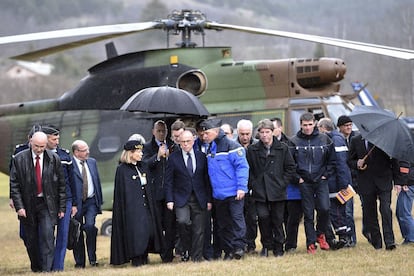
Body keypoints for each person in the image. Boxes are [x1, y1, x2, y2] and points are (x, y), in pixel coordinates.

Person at [10, 131, 66, 272]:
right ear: (30, 143)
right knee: (31, 240)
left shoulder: (54, 158)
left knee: (48, 236)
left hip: (47, 204)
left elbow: (61, 184)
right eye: (36, 146)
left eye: (42, 146)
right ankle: (37, 268)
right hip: (28, 205)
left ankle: (47, 270)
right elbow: (14, 185)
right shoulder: (19, 159)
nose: (39, 149)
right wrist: (19, 207)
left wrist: (61, 207)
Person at [200, 118, 249, 260]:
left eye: (206, 133)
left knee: (237, 220)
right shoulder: (210, 147)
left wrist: (241, 187)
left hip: (234, 192)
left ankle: (238, 247)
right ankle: (228, 250)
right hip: (218, 194)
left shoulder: (231, 145)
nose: (204, 136)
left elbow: (242, 167)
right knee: (223, 224)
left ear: (215, 131)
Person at [246, 119, 296, 257]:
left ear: (272, 132)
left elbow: (290, 167)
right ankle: (266, 245)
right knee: (263, 218)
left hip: (277, 190)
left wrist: (282, 183)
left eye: (267, 132)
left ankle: (279, 246)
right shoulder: (252, 150)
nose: (264, 135)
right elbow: (248, 169)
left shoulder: (283, 148)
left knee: (278, 219)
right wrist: (253, 184)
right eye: (261, 132)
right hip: (260, 190)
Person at [110, 139, 163, 266]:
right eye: (138, 152)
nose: (141, 154)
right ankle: (137, 257)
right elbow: (122, 193)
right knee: (137, 233)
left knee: (149, 230)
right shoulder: (122, 170)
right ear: (130, 153)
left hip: (146, 206)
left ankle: (145, 254)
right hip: (132, 209)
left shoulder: (143, 166)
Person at [348, 134, 405, 250]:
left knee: (385, 210)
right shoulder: (356, 140)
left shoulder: (385, 139)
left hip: (384, 180)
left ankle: (389, 241)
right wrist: (357, 164)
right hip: (366, 182)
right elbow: (349, 160)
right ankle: (376, 242)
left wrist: (398, 181)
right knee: (370, 213)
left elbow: (394, 160)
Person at [290, 112, 335, 254]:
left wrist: (325, 175)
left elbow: (332, 160)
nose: (308, 127)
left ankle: (320, 234)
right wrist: (298, 178)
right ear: (301, 125)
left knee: (324, 208)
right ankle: (311, 243)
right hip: (304, 182)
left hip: (321, 180)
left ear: (315, 123)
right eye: (305, 125)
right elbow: (290, 164)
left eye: (310, 124)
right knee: (308, 214)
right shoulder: (294, 141)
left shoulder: (324, 139)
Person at [165, 129, 212, 262]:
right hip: (181, 198)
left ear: (193, 141)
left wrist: (209, 199)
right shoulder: (173, 158)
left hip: (199, 197)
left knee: (199, 229)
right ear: (179, 143)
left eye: (188, 141)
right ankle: (186, 249)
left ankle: (196, 257)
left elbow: (206, 180)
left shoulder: (201, 157)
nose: (185, 144)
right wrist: (169, 199)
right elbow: (169, 181)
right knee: (182, 221)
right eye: (183, 142)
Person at [42, 125, 78, 271]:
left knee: (63, 234)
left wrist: (74, 202)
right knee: (47, 234)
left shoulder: (64, 155)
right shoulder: (39, 156)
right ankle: (47, 265)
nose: (57, 142)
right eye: (54, 139)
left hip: (66, 199)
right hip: (47, 200)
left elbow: (72, 180)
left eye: (58, 138)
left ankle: (58, 267)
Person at [143, 120, 176, 262]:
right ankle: (154, 250)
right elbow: (145, 164)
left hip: (170, 192)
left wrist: (169, 155)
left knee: (170, 225)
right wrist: (157, 156)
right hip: (154, 193)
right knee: (155, 225)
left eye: (164, 131)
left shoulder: (173, 146)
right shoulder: (147, 147)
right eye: (159, 131)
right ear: (153, 132)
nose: (162, 134)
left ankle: (168, 254)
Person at [317, 118, 352, 249]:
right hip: (335, 182)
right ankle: (341, 237)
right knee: (336, 212)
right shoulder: (335, 138)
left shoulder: (335, 140)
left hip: (336, 183)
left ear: (323, 128)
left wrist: (343, 185)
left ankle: (345, 238)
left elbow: (341, 164)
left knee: (337, 212)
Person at [270, 117, 303, 253]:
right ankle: (278, 243)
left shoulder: (290, 144)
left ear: (280, 128)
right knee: (277, 218)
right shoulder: (264, 146)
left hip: (292, 188)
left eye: (273, 128)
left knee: (293, 218)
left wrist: (295, 178)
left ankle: (291, 244)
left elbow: (294, 165)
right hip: (274, 189)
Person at [71, 140, 103, 267]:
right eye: (84, 150)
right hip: (76, 203)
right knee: (77, 232)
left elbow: (97, 181)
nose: (88, 152)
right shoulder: (69, 164)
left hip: (91, 201)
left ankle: (93, 259)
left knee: (90, 227)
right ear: (76, 152)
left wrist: (98, 202)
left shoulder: (92, 162)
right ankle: (80, 262)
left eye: (87, 149)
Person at [236, 119, 258, 254]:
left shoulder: (256, 146)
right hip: (238, 188)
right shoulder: (233, 146)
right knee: (239, 217)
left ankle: (251, 244)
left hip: (254, 187)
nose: (245, 137)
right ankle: (241, 244)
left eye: (247, 134)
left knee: (252, 218)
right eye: (242, 134)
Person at [337, 115, 359, 246]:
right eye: (346, 125)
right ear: (340, 127)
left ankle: (352, 239)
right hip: (342, 181)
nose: (349, 127)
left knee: (349, 211)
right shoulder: (336, 139)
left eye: (350, 125)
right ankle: (346, 238)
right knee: (343, 211)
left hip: (354, 180)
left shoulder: (355, 139)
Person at [395, 163, 414, 245]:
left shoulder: (405, 152)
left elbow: (405, 165)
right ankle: (408, 237)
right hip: (409, 181)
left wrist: (403, 182)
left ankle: (411, 238)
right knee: (400, 212)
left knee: (404, 213)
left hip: (408, 184)